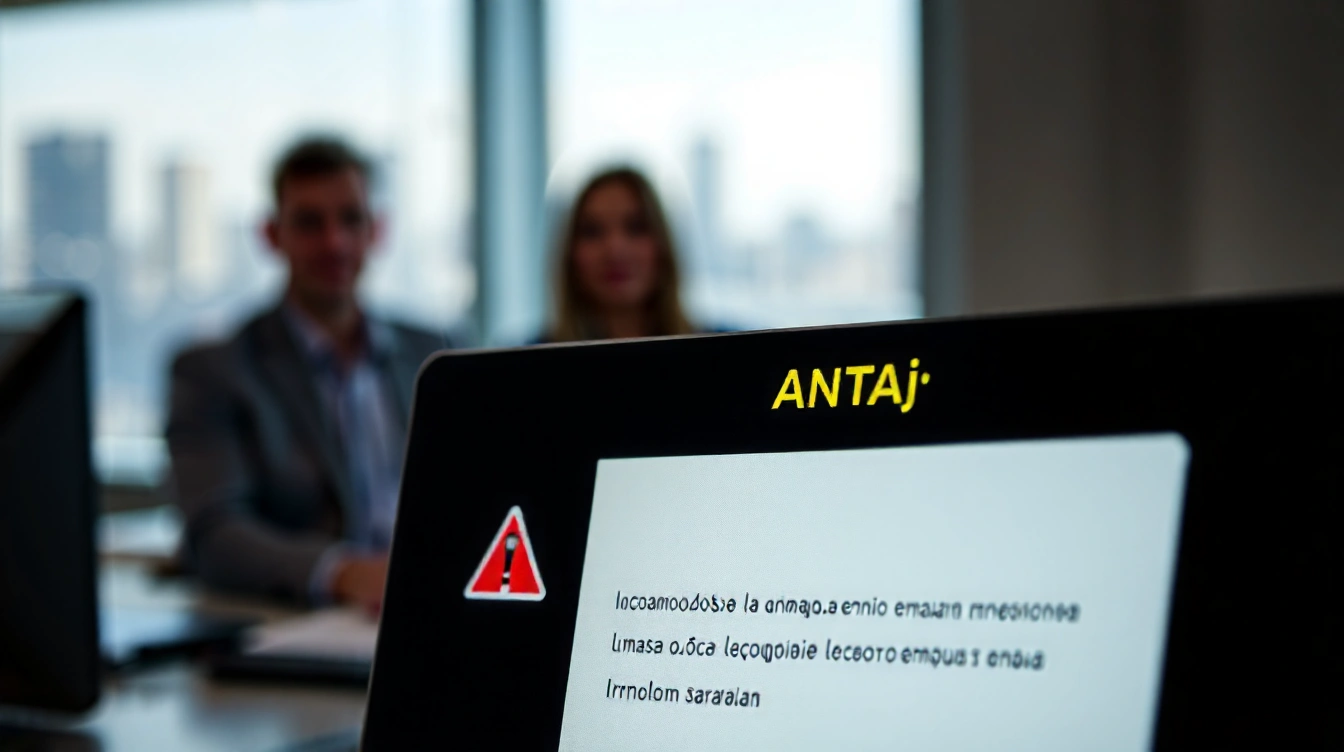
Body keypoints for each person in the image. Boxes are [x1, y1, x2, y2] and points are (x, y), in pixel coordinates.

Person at [166, 137, 446, 611]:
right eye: (310, 223)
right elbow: (215, 535)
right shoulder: (216, 370)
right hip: (307, 619)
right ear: (271, 235)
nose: (335, 242)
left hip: (433, 602)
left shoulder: (434, 352)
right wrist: (346, 575)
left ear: (377, 231)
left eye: (351, 219)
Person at [542, 166, 702, 342]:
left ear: (662, 244)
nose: (615, 250)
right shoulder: (529, 355)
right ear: (570, 252)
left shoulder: (720, 349)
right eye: (592, 231)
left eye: (636, 227)